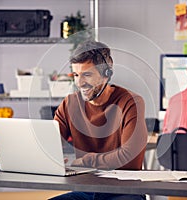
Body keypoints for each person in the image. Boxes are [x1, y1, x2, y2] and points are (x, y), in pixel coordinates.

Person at [51, 40, 148, 200]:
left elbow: (129, 158)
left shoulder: (131, 102)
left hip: (124, 192)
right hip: (86, 190)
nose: (80, 83)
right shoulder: (70, 103)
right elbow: (50, 145)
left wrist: (85, 161)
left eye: (87, 75)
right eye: (76, 75)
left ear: (106, 75)